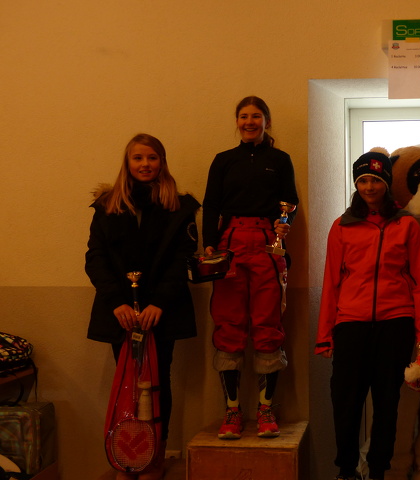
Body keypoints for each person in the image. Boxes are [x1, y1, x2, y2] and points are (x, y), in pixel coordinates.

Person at [85, 133, 200, 480]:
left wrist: (159, 303)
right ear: (128, 162)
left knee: (156, 384)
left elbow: (183, 259)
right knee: (127, 385)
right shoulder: (107, 206)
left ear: (161, 162)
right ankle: (127, 457)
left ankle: (153, 458)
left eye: (152, 158)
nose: (145, 164)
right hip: (119, 314)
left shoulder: (180, 207)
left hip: (161, 313)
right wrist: (117, 302)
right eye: (138, 158)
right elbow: (96, 258)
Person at [315, 151, 420, 480]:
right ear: (356, 184)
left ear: (386, 184)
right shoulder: (341, 226)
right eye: (363, 180)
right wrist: (325, 334)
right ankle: (346, 470)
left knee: (387, 404)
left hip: (395, 325)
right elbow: (331, 282)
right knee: (345, 402)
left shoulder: (406, 224)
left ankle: (379, 471)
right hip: (350, 325)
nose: (369, 187)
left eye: (376, 180)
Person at [202, 96, 299, 439]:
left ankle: (265, 409)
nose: (249, 122)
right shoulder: (223, 160)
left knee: (268, 323)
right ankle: (232, 412)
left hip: (267, 244)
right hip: (229, 245)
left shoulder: (280, 160)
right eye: (243, 116)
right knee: (228, 323)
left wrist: (284, 226)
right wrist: (209, 243)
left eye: (256, 116)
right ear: (237, 122)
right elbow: (211, 204)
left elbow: (290, 203)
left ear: (266, 122)